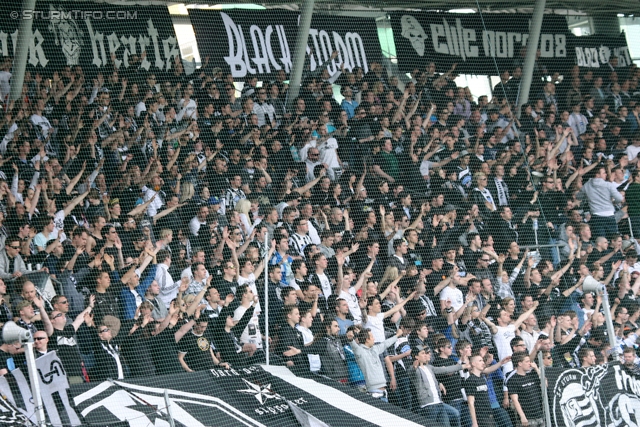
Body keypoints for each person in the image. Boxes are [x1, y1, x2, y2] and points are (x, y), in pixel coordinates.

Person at [408, 344, 466, 427]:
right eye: (422, 353)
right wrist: (414, 366)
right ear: (416, 356)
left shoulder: (429, 367)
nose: (425, 355)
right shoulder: (414, 369)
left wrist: (462, 366)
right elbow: (412, 372)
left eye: (425, 353)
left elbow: (445, 369)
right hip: (428, 406)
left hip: (439, 403)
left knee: (449, 421)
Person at [350, 327, 403, 401]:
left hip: (384, 392)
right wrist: (350, 339)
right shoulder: (360, 351)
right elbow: (354, 346)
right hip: (373, 393)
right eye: (372, 337)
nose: (374, 339)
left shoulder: (375, 349)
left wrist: (397, 335)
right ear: (367, 339)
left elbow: (385, 344)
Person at [507, 351, 544, 427]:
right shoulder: (513, 380)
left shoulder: (533, 374)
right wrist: (522, 416)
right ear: (520, 363)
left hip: (540, 414)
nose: (529, 363)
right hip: (528, 417)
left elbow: (545, 384)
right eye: (527, 361)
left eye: (530, 361)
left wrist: (537, 369)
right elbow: (515, 400)